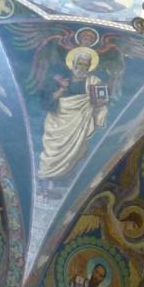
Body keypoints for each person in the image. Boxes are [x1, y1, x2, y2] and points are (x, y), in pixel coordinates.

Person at [38, 48, 108, 185]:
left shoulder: (94, 81)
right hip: (57, 121)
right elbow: (47, 100)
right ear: (74, 64)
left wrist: (96, 100)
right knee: (53, 150)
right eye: (80, 63)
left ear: (89, 66)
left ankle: (66, 179)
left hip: (79, 123)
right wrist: (62, 89)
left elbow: (102, 100)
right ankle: (48, 178)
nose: (82, 67)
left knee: (75, 152)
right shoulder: (60, 79)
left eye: (85, 65)